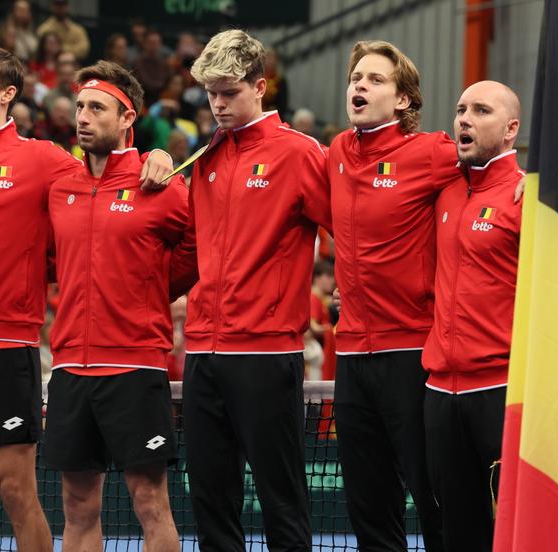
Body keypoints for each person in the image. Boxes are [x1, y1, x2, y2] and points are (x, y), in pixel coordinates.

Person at [0, 46, 173, 552]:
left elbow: (106, 180)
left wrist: (153, 155)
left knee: (15, 490)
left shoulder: (46, 159)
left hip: (9, 346)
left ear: (8, 93)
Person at [182, 29, 330, 551]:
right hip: (201, 350)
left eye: (229, 92)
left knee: (280, 500)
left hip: (266, 351)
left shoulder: (300, 153)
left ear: (260, 86)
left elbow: (351, 227)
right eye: (211, 94)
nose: (218, 104)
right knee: (210, 502)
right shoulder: (204, 158)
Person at [44, 60, 195, 552]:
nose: (83, 117)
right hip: (69, 366)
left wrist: (152, 289)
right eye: (80, 107)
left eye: (97, 108)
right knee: (76, 506)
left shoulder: (161, 183)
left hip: (134, 364)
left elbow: (198, 245)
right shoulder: (61, 187)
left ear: (128, 117)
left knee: (150, 502)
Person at [329, 40, 460, 552]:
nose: (359, 86)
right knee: (368, 507)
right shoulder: (336, 152)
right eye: (355, 78)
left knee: (434, 500)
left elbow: (488, 168)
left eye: (375, 79)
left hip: (411, 352)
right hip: (350, 356)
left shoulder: (429, 152)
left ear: (403, 100)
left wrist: (520, 184)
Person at [422, 79, 525, 552]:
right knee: (457, 534)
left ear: (511, 129)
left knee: (516, 532)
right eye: (461, 109)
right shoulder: (443, 192)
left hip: (502, 389)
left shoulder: (530, 197)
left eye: (481, 111)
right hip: (440, 392)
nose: (464, 118)